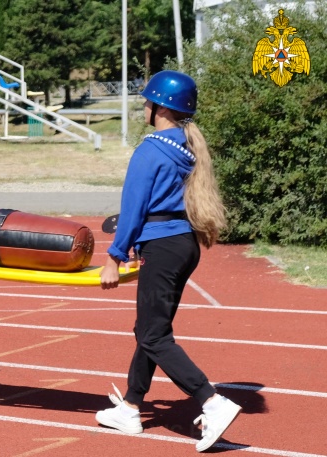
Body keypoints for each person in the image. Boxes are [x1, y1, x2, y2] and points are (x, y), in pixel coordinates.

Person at [96, 70, 241, 452]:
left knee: (153, 334)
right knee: (151, 328)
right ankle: (130, 406)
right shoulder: (187, 144)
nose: (144, 105)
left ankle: (212, 401)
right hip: (184, 243)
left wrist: (115, 255)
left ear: (161, 106)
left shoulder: (151, 148)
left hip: (161, 246)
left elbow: (133, 208)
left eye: (147, 101)